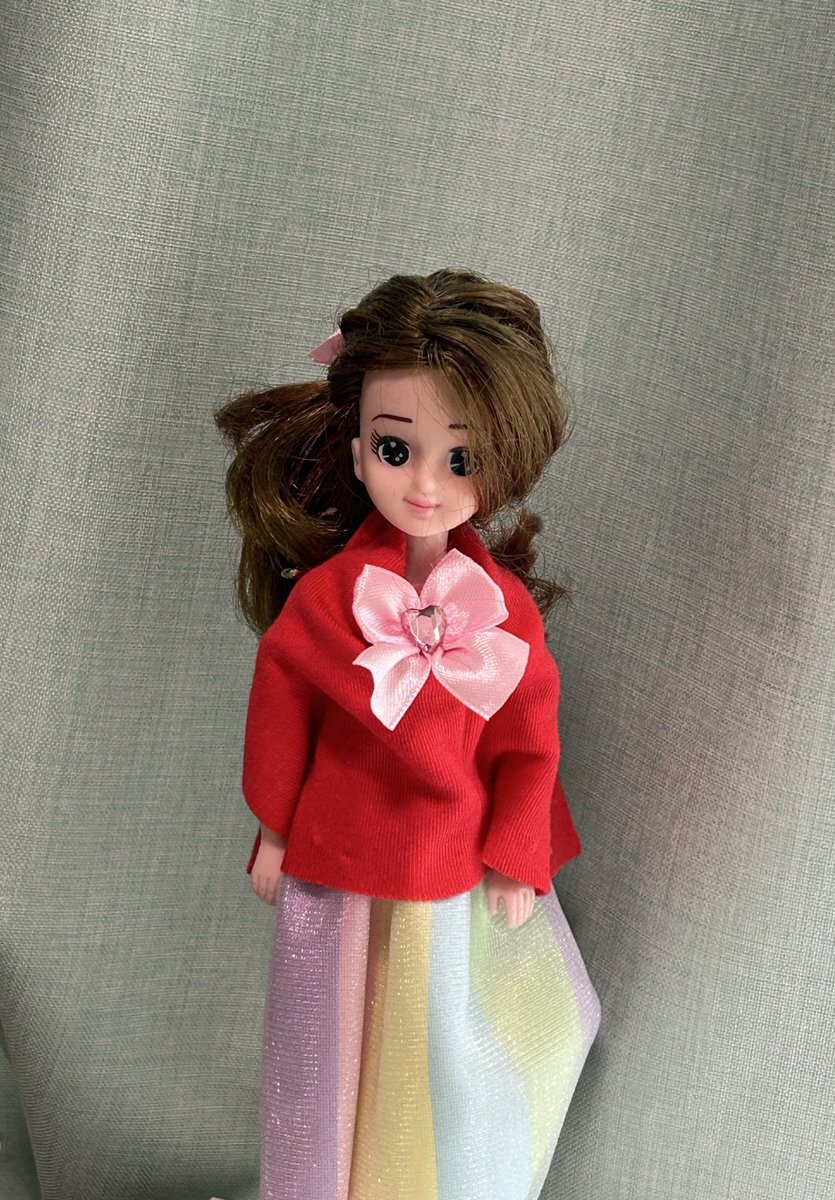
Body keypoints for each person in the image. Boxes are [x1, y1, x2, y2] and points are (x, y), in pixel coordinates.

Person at [214, 268, 601, 1200]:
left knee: (442, 1055)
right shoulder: (326, 602)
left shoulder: (500, 612)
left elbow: (529, 742)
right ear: (358, 452)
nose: (425, 484)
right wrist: (275, 828)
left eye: (461, 459)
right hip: (339, 861)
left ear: (503, 464)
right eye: (398, 449)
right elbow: (281, 714)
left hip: (450, 869)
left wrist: (517, 853)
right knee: (327, 1052)